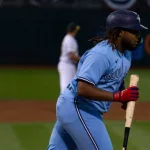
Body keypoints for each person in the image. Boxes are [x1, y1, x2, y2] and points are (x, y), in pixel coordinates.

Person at [47, 10, 147, 150]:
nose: (138, 36)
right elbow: (83, 88)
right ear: (119, 32)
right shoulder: (100, 55)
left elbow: (114, 77)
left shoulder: (126, 54)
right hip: (78, 107)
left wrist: (123, 93)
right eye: (134, 31)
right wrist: (118, 96)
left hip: (77, 108)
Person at [58, 22, 80, 93]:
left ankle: (67, 102)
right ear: (74, 30)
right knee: (66, 87)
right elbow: (71, 56)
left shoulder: (68, 38)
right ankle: (63, 103)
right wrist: (82, 59)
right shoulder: (70, 39)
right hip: (67, 65)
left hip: (68, 65)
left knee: (71, 87)